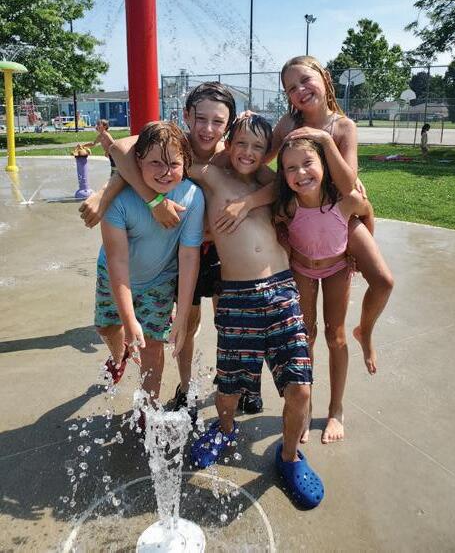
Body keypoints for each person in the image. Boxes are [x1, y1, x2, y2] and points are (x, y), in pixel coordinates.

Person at [215, 56, 394, 440]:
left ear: (324, 78)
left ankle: (352, 367)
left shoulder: (342, 127)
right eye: (291, 88)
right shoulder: (287, 125)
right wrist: (238, 133)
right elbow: (253, 158)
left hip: (338, 217)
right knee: (306, 333)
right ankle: (305, 406)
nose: (300, 90)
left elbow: (349, 187)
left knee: (378, 286)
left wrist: (326, 141)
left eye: (305, 80)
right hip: (302, 222)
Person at [80, 83, 263, 414]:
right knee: (186, 324)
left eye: (218, 121)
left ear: (229, 124)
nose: (208, 128)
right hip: (180, 248)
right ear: (187, 115)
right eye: (201, 118)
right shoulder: (174, 143)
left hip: (218, 249)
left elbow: (269, 172)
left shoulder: (232, 152)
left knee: (230, 320)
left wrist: (249, 202)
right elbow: (121, 150)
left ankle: (242, 381)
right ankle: (185, 386)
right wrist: (153, 200)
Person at [189, 115, 323, 510]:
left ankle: (290, 456)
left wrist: (248, 201)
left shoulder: (271, 184)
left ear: (268, 154)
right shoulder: (214, 176)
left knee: (300, 386)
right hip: (237, 298)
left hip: (283, 293)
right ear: (229, 143)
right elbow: (163, 163)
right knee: (229, 387)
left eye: (258, 147)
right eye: (241, 143)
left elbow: (287, 182)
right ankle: (225, 428)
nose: (248, 152)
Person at [95, 121, 204, 414]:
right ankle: (118, 356)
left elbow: (189, 256)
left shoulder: (192, 197)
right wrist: (129, 320)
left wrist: (182, 316)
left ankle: (149, 410)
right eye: (156, 162)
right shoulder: (118, 199)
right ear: (138, 161)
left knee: (152, 346)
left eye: (174, 164)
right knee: (107, 327)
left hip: (159, 280)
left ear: (186, 163)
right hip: (113, 275)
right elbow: (117, 260)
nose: (165, 172)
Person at [274, 137, 374, 445]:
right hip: (302, 270)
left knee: (336, 336)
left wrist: (359, 249)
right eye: (291, 168)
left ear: (324, 165)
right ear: (283, 175)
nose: (301, 173)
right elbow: (277, 227)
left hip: (337, 269)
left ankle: (336, 409)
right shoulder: (287, 207)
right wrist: (286, 246)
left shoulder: (345, 200)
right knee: (306, 336)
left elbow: (367, 211)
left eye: (308, 163)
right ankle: (306, 408)